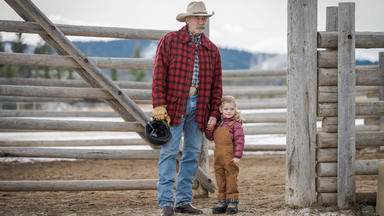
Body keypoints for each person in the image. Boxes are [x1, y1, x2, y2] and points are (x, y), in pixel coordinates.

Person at [151, 1, 222, 216]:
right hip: (173, 106)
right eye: (198, 18)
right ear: (188, 19)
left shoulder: (212, 50)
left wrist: (213, 113)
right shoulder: (170, 41)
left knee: (192, 154)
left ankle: (183, 201)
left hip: (199, 107)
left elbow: (217, 86)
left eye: (204, 18)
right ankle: (165, 203)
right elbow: (158, 75)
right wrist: (159, 106)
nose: (201, 21)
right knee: (169, 153)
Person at [205, 95, 245, 214]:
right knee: (220, 177)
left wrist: (237, 156)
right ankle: (222, 201)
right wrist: (209, 129)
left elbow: (240, 141)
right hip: (218, 157)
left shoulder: (236, 125)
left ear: (235, 110)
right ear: (221, 110)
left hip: (230, 157)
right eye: (226, 109)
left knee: (231, 177)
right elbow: (210, 137)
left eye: (232, 109)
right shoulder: (218, 124)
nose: (229, 112)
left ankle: (232, 201)